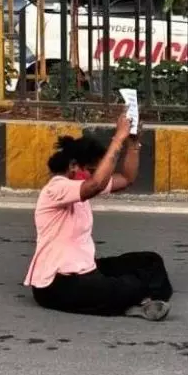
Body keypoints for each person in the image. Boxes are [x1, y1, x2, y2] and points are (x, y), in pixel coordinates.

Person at [25, 114, 173, 320]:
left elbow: (126, 178)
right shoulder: (57, 188)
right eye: (92, 170)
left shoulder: (80, 187)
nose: (96, 176)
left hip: (87, 271)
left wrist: (133, 143)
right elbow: (95, 184)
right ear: (73, 166)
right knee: (129, 284)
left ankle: (142, 300)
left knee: (150, 262)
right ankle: (137, 300)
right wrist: (118, 138)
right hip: (56, 285)